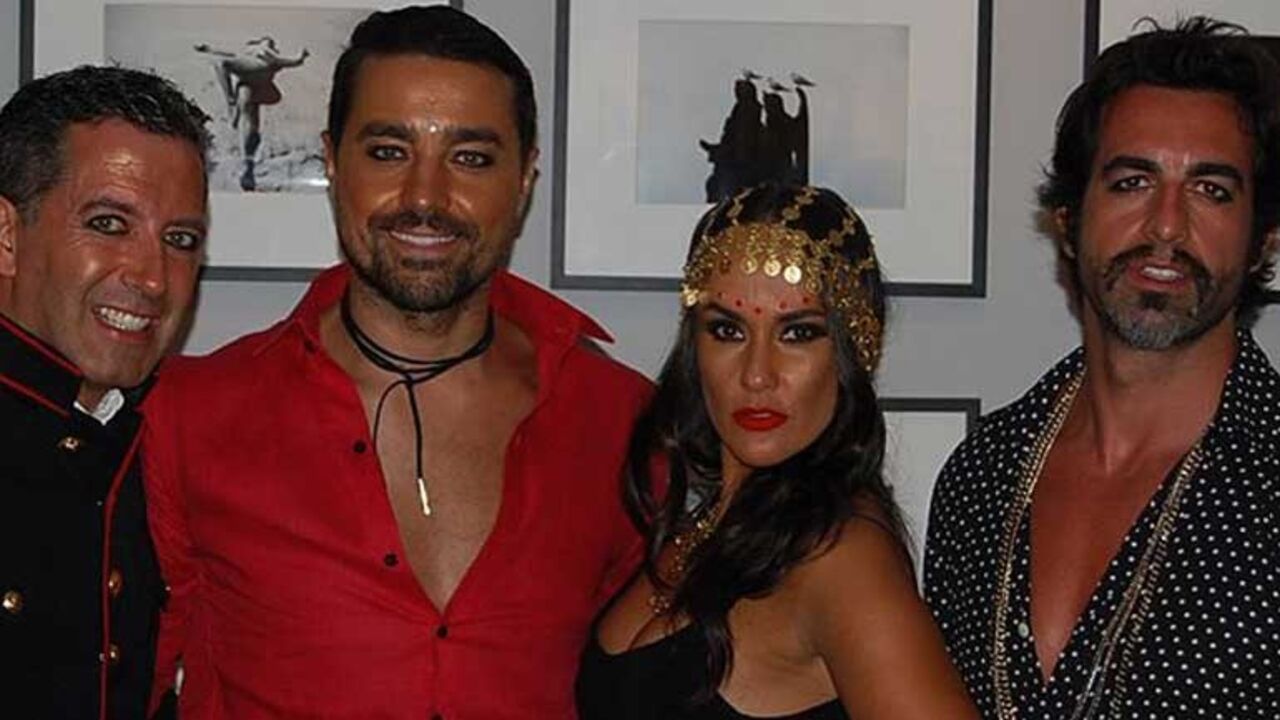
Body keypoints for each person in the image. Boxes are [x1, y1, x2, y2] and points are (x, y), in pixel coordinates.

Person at [142, 6, 652, 719]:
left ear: (525, 179)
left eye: (470, 158)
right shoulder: (189, 416)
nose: (424, 198)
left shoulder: (623, 419)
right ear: (332, 161)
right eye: (388, 151)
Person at [924, 17, 1280, 719]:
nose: (1167, 225)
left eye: (1211, 190)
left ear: (1262, 239)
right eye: (1131, 182)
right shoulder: (980, 476)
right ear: (1067, 218)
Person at [577, 183, 978, 719]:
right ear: (695, 345)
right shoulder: (701, 527)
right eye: (728, 330)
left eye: (797, 334)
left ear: (850, 352)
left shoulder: (842, 559)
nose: (757, 375)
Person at [0, 66, 209, 719]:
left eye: (180, 240)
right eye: (109, 224)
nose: (153, 279)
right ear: (6, 236)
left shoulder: (181, 439)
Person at [194, 36, 309, 191]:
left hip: (257, 79)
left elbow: (288, 62)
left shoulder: (266, 52)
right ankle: (247, 161)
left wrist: (300, 57)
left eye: (271, 43)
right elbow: (228, 53)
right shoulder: (256, 50)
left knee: (247, 112)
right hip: (252, 81)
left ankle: (232, 104)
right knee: (249, 118)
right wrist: (208, 49)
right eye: (267, 41)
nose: (270, 43)